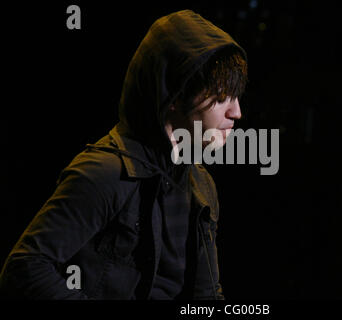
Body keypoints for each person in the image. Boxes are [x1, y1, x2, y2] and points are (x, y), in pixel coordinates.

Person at [0, 9, 247, 300]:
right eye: (221, 97)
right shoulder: (104, 171)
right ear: (175, 97)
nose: (236, 112)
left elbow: (206, 297)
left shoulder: (201, 185)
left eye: (237, 97)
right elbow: (24, 268)